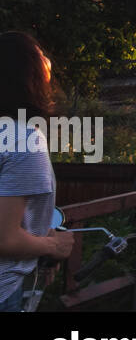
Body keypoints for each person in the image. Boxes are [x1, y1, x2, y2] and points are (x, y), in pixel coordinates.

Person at [1, 32, 75, 312]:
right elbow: (4, 239)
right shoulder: (21, 141)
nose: (48, 61)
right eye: (41, 55)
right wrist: (51, 246)